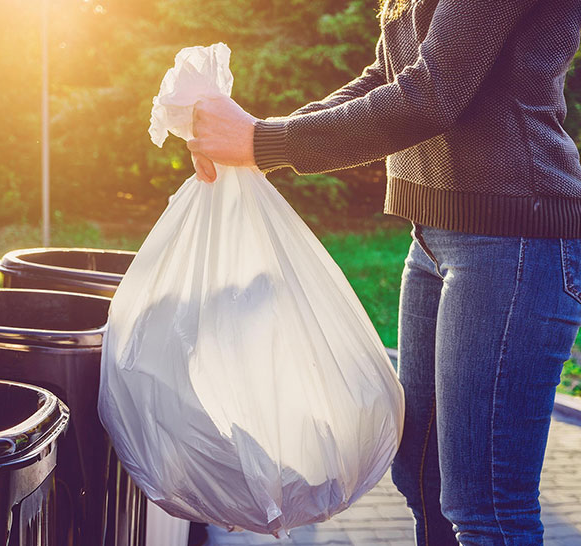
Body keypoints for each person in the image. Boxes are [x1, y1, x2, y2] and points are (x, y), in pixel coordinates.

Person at [186, 0, 581, 544]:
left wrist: (263, 142)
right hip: (434, 236)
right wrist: (261, 139)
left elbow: (433, 92)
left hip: (515, 241)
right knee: (422, 479)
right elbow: (388, 72)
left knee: (485, 505)